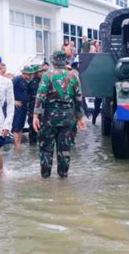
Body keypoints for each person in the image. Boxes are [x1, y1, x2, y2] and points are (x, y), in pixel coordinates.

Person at [33, 50, 87, 178]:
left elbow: (40, 96)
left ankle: (45, 178)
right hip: (68, 118)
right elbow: (79, 99)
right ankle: (63, 177)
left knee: (46, 149)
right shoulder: (74, 76)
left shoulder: (48, 75)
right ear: (66, 61)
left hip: (49, 118)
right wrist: (80, 118)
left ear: (53, 61)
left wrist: (36, 116)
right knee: (64, 149)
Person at [12, 66, 34, 149]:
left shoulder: (25, 81)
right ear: (24, 73)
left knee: (21, 125)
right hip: (18, 106)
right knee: (16, 126)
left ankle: (19, 144)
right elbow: (9, 90)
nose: (30, 76)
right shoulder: (17, 79)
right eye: (29, 74)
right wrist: (14, 100)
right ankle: (16, 145)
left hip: (24, 106)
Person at [27, 65, 44, 144]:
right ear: (36, 73)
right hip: (32, 107)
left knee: (43, 126)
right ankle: (32, 144)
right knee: (32, 127)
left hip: (43, 108)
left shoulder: (44, 81)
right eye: (40, 71)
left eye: (42, 71)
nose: (42, 73)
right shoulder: (30, 82)